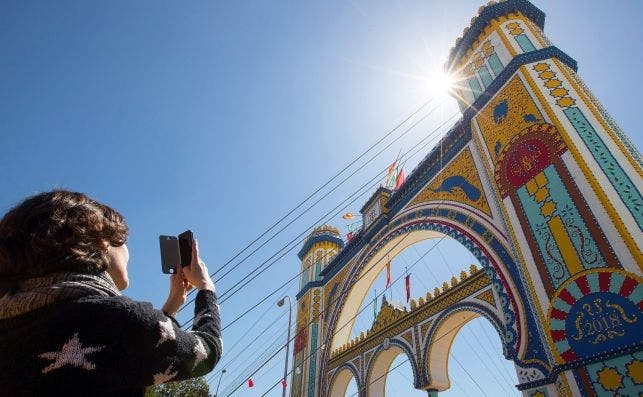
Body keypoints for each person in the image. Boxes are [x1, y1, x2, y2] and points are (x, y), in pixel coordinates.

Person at [0, 190, 222, 396]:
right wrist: (205, 287)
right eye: (123, 241)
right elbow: (206, 352)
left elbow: (128, 359)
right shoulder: (115, 318)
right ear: (101, 240)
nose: (128, 252)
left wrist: (172, 303)